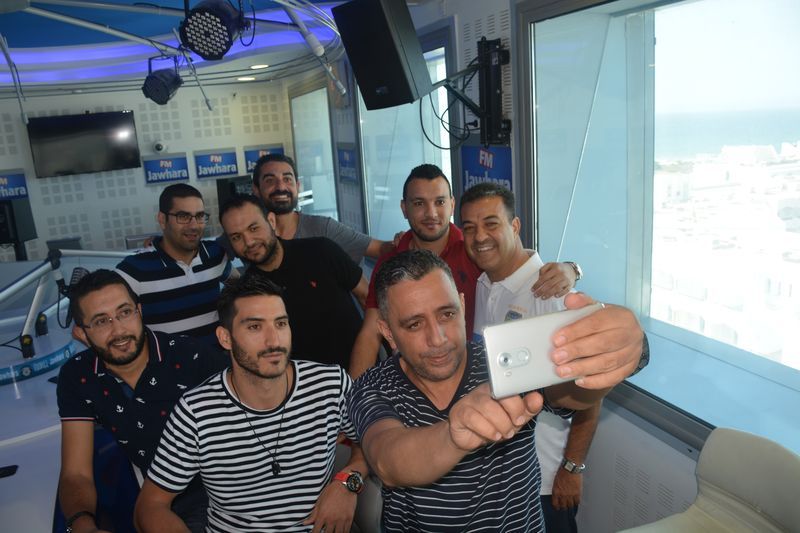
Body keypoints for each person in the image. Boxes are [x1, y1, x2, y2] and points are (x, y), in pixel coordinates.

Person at [347, 250, 647, 532]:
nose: (437, 339)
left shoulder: (504, 363)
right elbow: (388, 460)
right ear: (388, 333)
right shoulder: (373, 386)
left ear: (462, 305)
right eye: (414, 325)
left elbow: (571, 396)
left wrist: (614, 356)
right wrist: (453, 435)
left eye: (447, 314)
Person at [135, 275, 368, 532]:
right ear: (225, 338)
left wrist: (348, 483)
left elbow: (373, 443)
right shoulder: (196, 412)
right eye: (255, 327)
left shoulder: (330, 384)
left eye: (281, 324)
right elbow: (150, 505)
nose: (274, 341)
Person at [348, 163, 580, 379]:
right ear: (404, 208)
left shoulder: (474, 254)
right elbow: (370, 334)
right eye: (419, 203)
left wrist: (571, 269)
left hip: (474, 388)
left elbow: (514, 260)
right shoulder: (392, 260)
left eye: (439, 202)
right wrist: (354, 401)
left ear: (451, 204)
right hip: (414, 384)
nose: (431, 213)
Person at [462, 182, 602, 533]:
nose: (480, 237)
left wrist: (572, 467)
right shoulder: (484, 284)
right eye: (469, 228)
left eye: (491, 224)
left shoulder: (550, 291)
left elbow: (592, 390)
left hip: (545, 479)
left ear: (515, 226)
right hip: (502, 475)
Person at [56, 269, 229, 533]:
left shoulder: (190, 356)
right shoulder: (77, 377)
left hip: (227, 486)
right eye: (101, 321)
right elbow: (75, 473)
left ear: (139, 311)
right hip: (164, 502)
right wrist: (83, 526)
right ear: (81, 333)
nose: (119, 330)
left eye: (125, 312)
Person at [219, 194, 367, 370]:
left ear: (271, 221)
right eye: (236, 237)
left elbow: (367, 297)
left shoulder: (321, 251)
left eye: (254, 228)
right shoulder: (247, 294)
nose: (249, 242)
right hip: (303, 384)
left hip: (364, 373)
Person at [218, 153, 392, 265]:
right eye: (270, 181)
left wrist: (404, 240)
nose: (281, 187)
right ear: (256, 189)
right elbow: (208, 256)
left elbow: (380, 249)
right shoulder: (242, 234)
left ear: (297, 186)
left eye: (287, 179)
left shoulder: (323, 228)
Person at [116, 183, 236, 339]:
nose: (194, 225)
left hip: (218, 353)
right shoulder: (135, 269)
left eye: (200, 216)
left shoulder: (215, 254)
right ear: (162, 220)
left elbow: (242, 287)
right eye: (183, 217)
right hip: (167, 355)